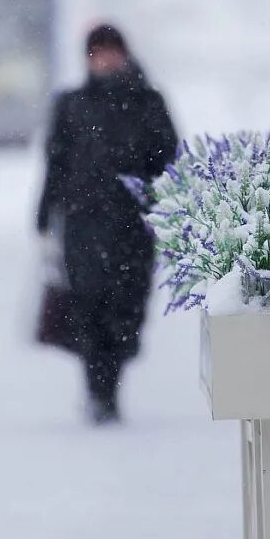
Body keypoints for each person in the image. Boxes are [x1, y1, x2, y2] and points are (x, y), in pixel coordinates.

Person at [36, 24, 178, 424]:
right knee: (87, 307)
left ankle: (110, 381)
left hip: (134, 225)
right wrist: (45, 214)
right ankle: (98, 393)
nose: (105, 59)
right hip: (82, 224)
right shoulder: (71, 104)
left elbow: (168, 159)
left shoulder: (149, 102)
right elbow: (56, 163)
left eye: (111, 51)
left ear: (125, 54)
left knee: (127, 310)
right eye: (97, 52)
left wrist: (166, 206)